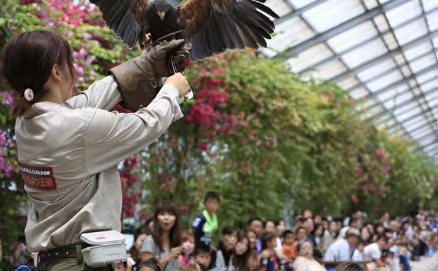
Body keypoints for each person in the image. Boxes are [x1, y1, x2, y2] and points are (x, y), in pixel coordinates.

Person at [1, 30, 190, 271]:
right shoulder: (76, 126)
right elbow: (145, 125)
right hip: (83, 264)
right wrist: (172, 91)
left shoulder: (26, 123)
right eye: (70, 63)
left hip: (54, 262)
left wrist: (145, 63)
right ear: (57, 71)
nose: (75, 71)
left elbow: (90, 99)